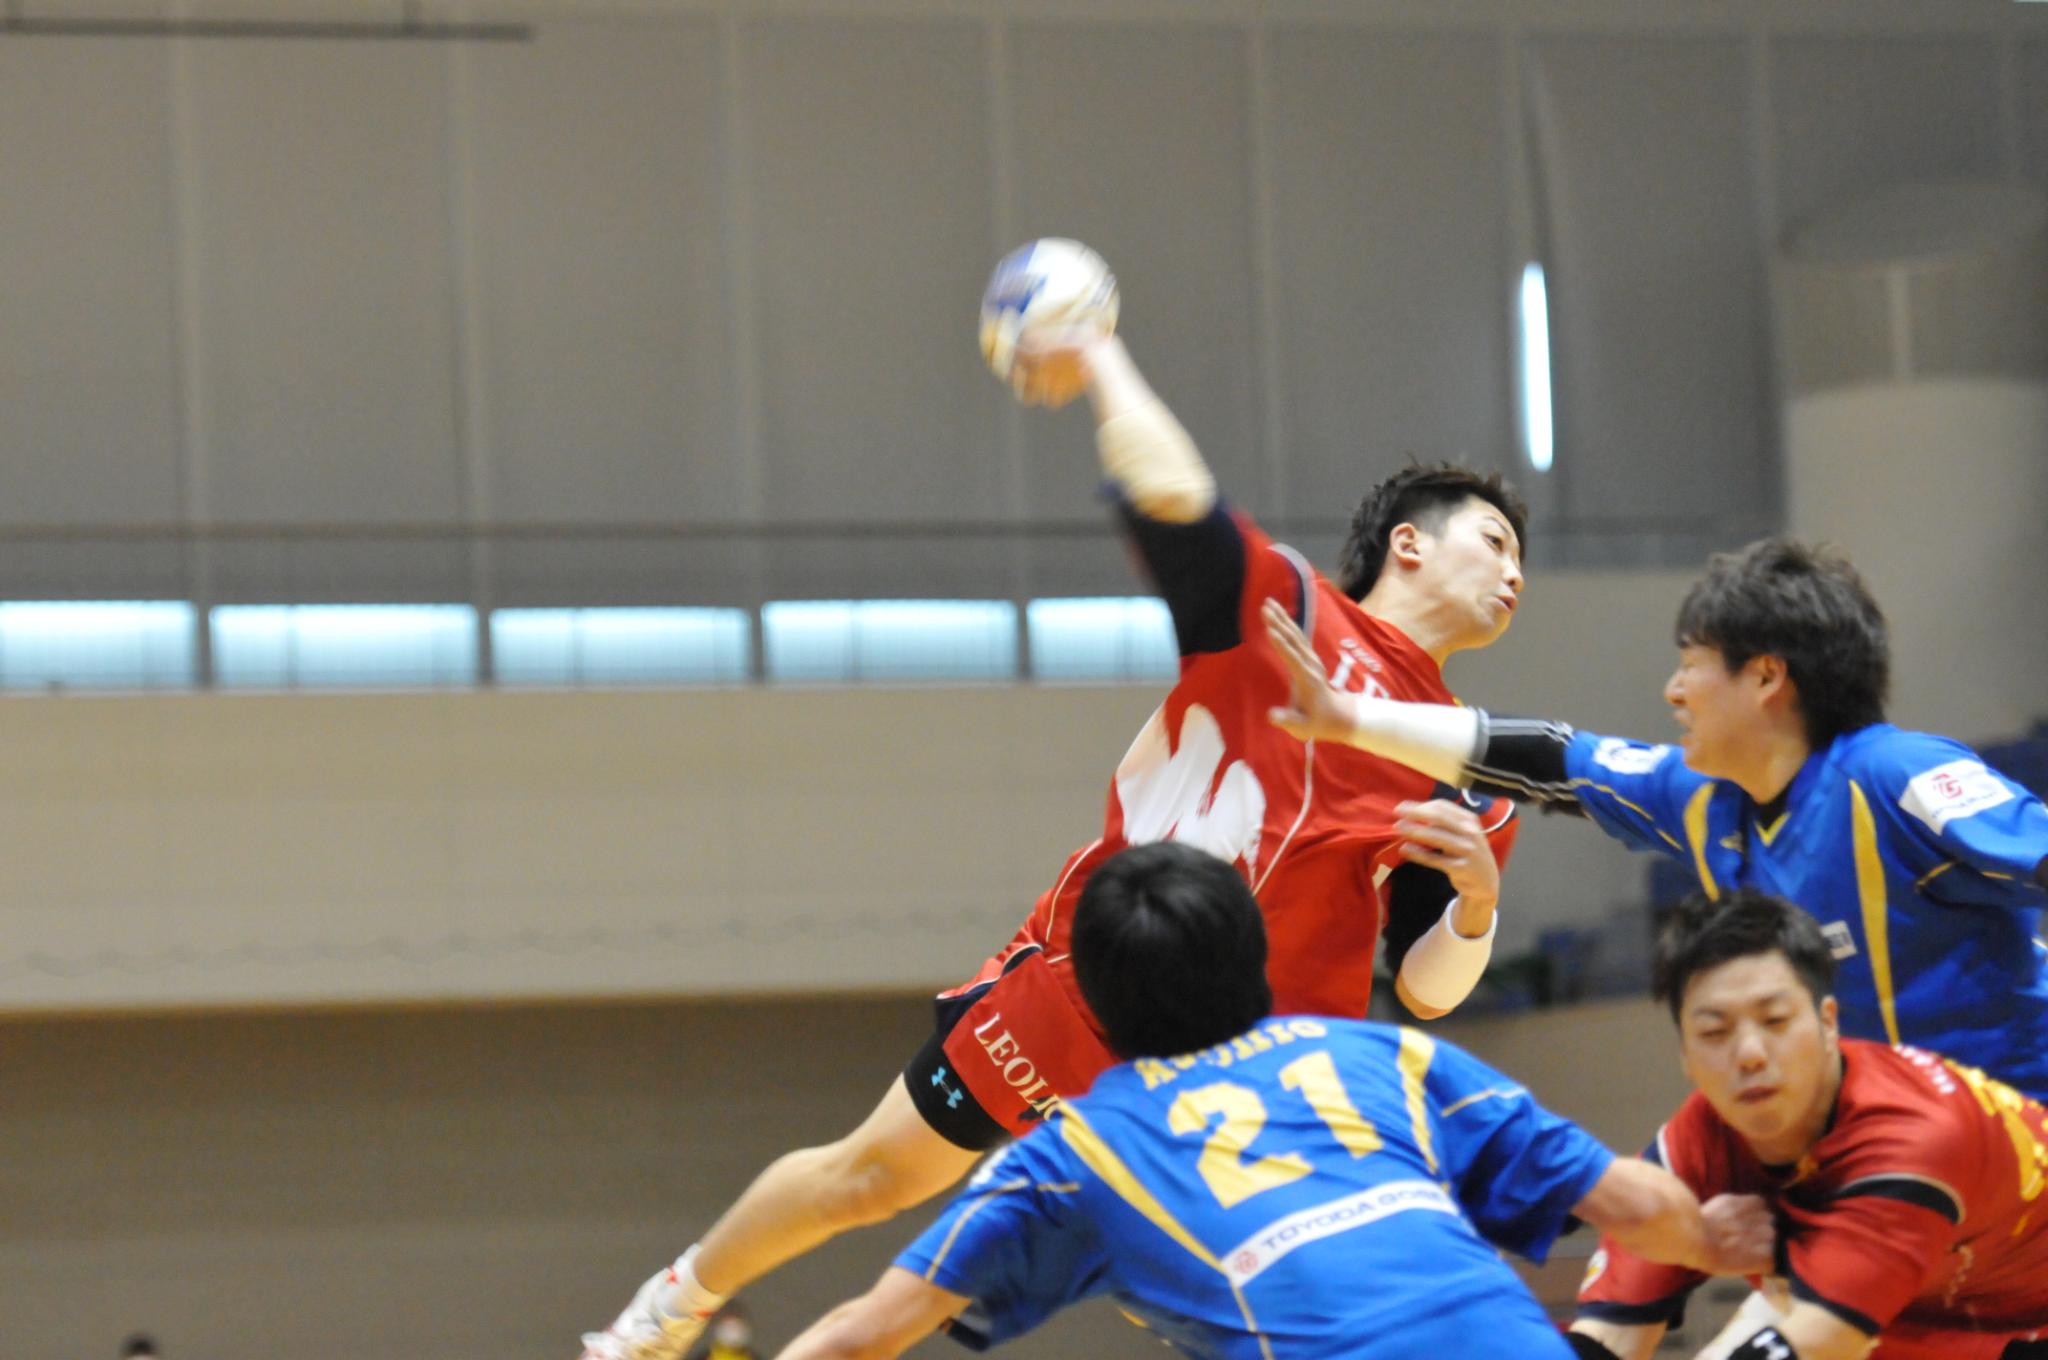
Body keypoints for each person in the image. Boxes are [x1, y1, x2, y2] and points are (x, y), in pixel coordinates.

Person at [578, 324, 1533, 1359]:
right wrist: (1098, 356)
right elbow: (1177, 499)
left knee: (1273, 1317)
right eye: (1494, 541)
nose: (1514, 571)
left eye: (1519, 557)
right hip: (1086, 989)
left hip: (1252, 1080)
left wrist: (1477, 906)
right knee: (873, 1180)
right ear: (1408, 543)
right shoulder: (1291, 615)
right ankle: (669, 1307)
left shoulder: (1471, 765)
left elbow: (1428, 990)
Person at [768, 841, 1773, 1360]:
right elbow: (1633, 1205)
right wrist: (1724, 1238)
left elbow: (861, 1335)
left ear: (1098, 1010)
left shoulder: (1070, 1150)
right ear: (1257, 961)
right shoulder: (1380, 1055)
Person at [1261, 537, 2048, 1097]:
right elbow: (1553, 759)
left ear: (1765, 677)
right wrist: (1346, 718)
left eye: (1691, 664)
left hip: (2015, 1146)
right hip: (1873, 1163)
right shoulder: (1699, 797)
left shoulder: (1895, 776)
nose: (1673, 691)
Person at [1568, 889, 2048, 1360]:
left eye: (1775, 1020)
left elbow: (1821, 1342)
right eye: (1714, 1032)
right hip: (1887, 1323)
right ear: (1684, 1056)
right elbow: (1607, 1340)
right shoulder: (1694, 1145)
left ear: (1829, 1023)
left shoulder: (1913, 1139)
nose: (1750, 1054)